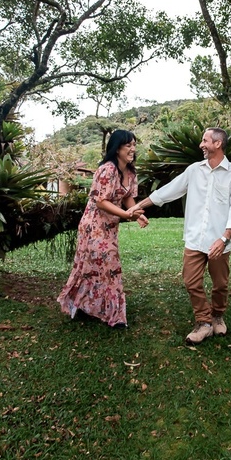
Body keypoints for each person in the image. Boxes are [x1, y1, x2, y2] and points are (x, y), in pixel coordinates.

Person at [128, 127, 231, 345]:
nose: (201, 144)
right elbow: (168, 191)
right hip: (194, 239)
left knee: (220, 284)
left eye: (205, 140)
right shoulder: (194, 170)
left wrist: (224, 238)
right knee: (191, 281)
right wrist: (138, 206)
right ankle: (203, 322)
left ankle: (217, 315)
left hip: (219, 242)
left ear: (217, 144)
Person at [57, 129, 148, 328]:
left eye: (134, 145)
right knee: (107, 265)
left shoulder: (131, 172)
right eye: (128, 145)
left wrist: (138, 214)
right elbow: (100, 201)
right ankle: (114, 316)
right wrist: (125, 215)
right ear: (117, 148)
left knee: (95, 267)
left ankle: (84, 305)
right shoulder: (107, 169)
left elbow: (127, 198)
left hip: (110, 226)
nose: (133, 149)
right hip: (93, 225)